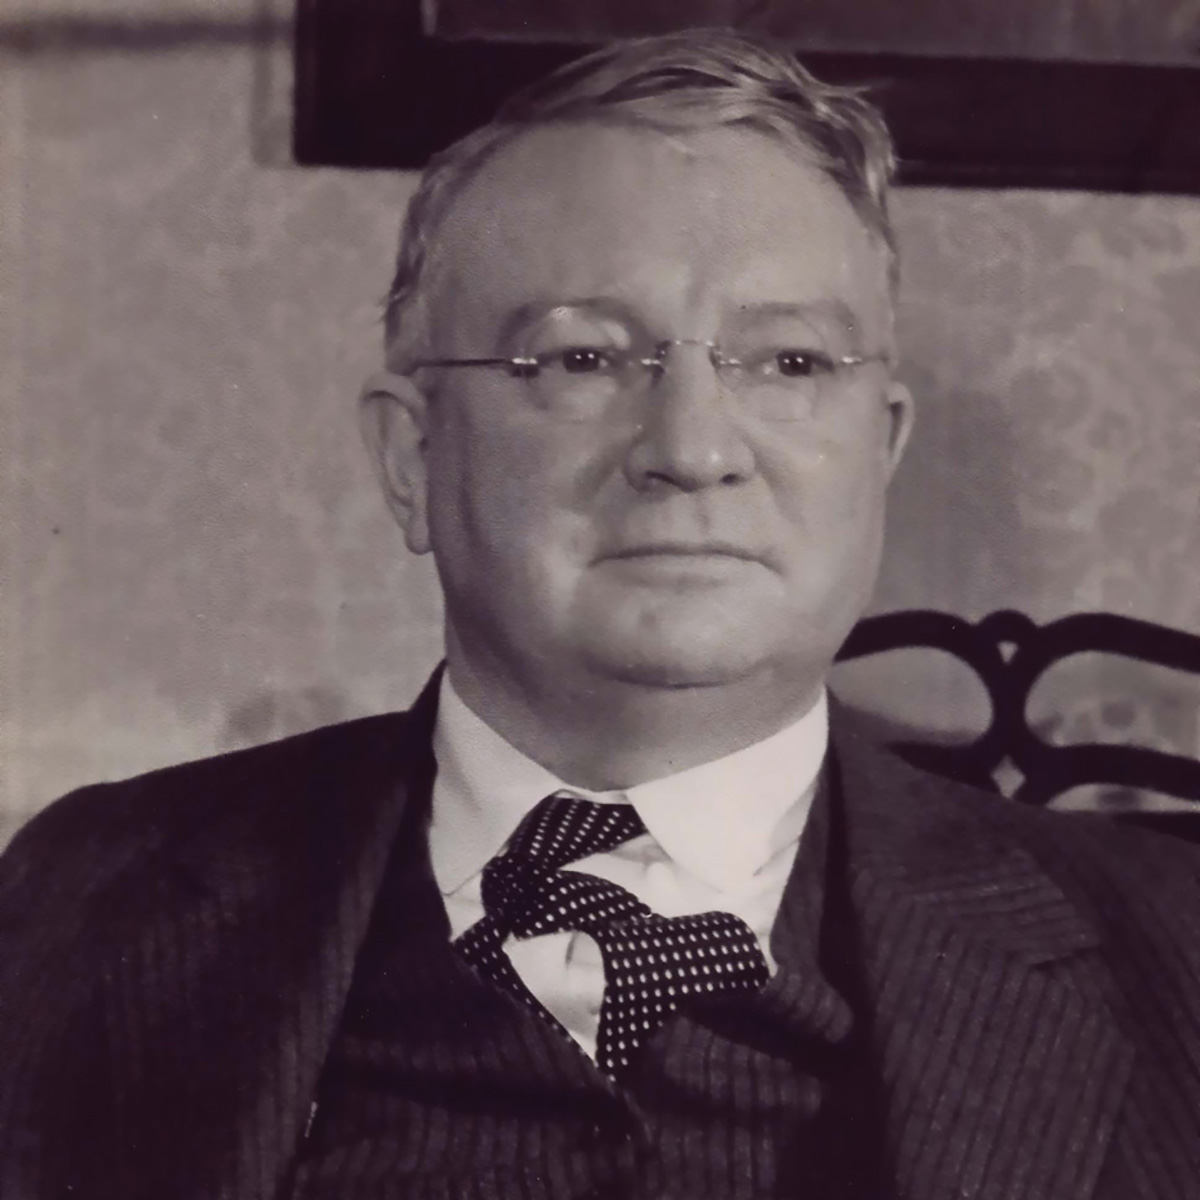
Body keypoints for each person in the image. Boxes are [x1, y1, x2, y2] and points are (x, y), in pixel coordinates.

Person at [2, 28, 1198, 1200]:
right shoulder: (77, 906)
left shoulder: (1174, 950)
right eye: (581, 360)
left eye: (789, 362)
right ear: (413, 458)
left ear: (878, 452)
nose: (692, 448)